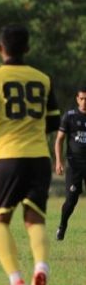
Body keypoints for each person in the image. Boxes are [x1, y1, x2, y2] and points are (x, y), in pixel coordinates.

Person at [0, 25, 60, 285]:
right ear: (27, 49)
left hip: (7, 156)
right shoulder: (42, 79)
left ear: (0, 48)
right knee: (35, 220)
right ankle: (41, 269)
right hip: (39, 157)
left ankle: (17, 282)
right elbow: (55, 121)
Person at [54, 87, 86, 240]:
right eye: (82, 98)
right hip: (74, 165)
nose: (84, 102)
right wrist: (59, 161)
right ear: (77, 99)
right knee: (71, 200)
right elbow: (59, 140)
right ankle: (62, 226)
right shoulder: (70, 116)